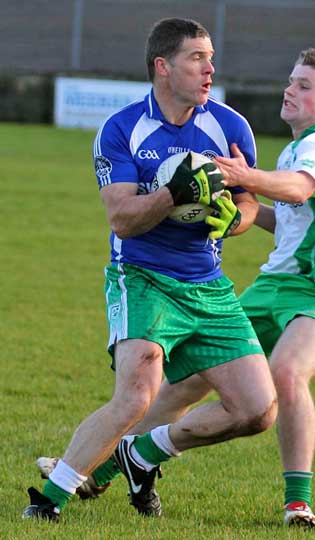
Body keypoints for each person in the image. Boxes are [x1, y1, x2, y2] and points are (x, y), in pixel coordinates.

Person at [38, 47, 315, 529]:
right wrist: (238, 213)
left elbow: (296, 190)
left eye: (303, 85)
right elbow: (292, 217)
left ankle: (297, 501)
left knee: (287, 374)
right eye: (291, 81)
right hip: (277, 281)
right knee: (186, 383)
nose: (288, 90)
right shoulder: (298, 147)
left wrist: (238, 177)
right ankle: (108, 465)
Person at [22, 17, 277, 522]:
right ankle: (48, 503)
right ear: (163, 67)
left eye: (211, 58)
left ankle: (140, 456)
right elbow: (122, 218)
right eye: (196, 58)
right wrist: (172, 194)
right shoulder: (121, 131)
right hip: (141, 278)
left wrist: (233, 220)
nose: (209, 69)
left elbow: (248, 204)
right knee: (137, 396)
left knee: (257, 411)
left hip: (207, 286)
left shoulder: (229, 126)